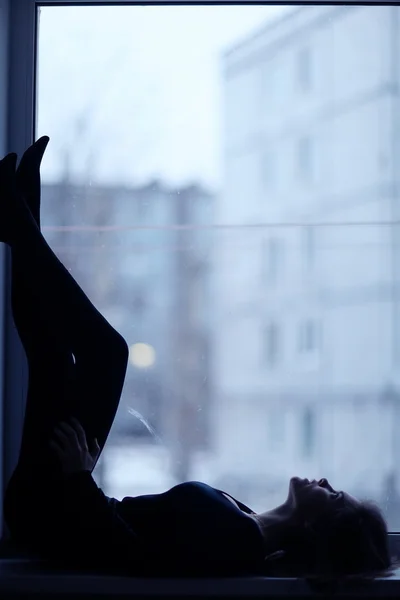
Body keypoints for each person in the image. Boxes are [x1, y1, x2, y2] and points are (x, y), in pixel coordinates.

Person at [0, 140, 392, 578]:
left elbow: (133, 559)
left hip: (53, 513)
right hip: (59, 502)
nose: (325, 483)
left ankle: (17, 220)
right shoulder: (247, 520)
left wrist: (79, 479)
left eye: (335, 496)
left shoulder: (242, 545)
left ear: (320, 526)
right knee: (53, 360)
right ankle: (19, 218)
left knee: (105, 353)